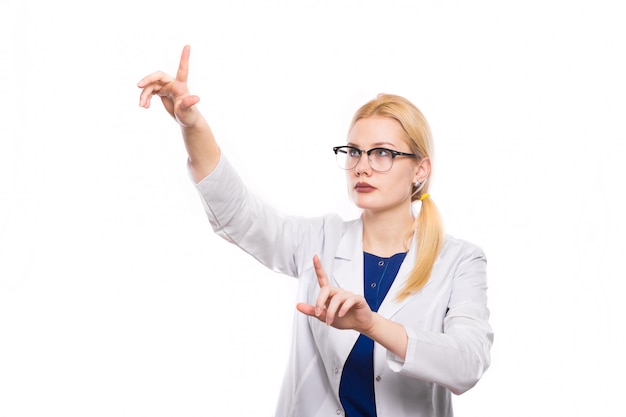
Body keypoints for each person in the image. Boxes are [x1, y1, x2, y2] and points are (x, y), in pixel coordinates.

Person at [137, 45, 493, 417]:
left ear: (420, 170)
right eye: (354, 151)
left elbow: (467, 363)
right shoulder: (320, 239)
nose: (362, 167)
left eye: (382, 153)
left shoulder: (460, 260)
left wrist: (370, 324)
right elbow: (240, 214)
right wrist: (192, 125)